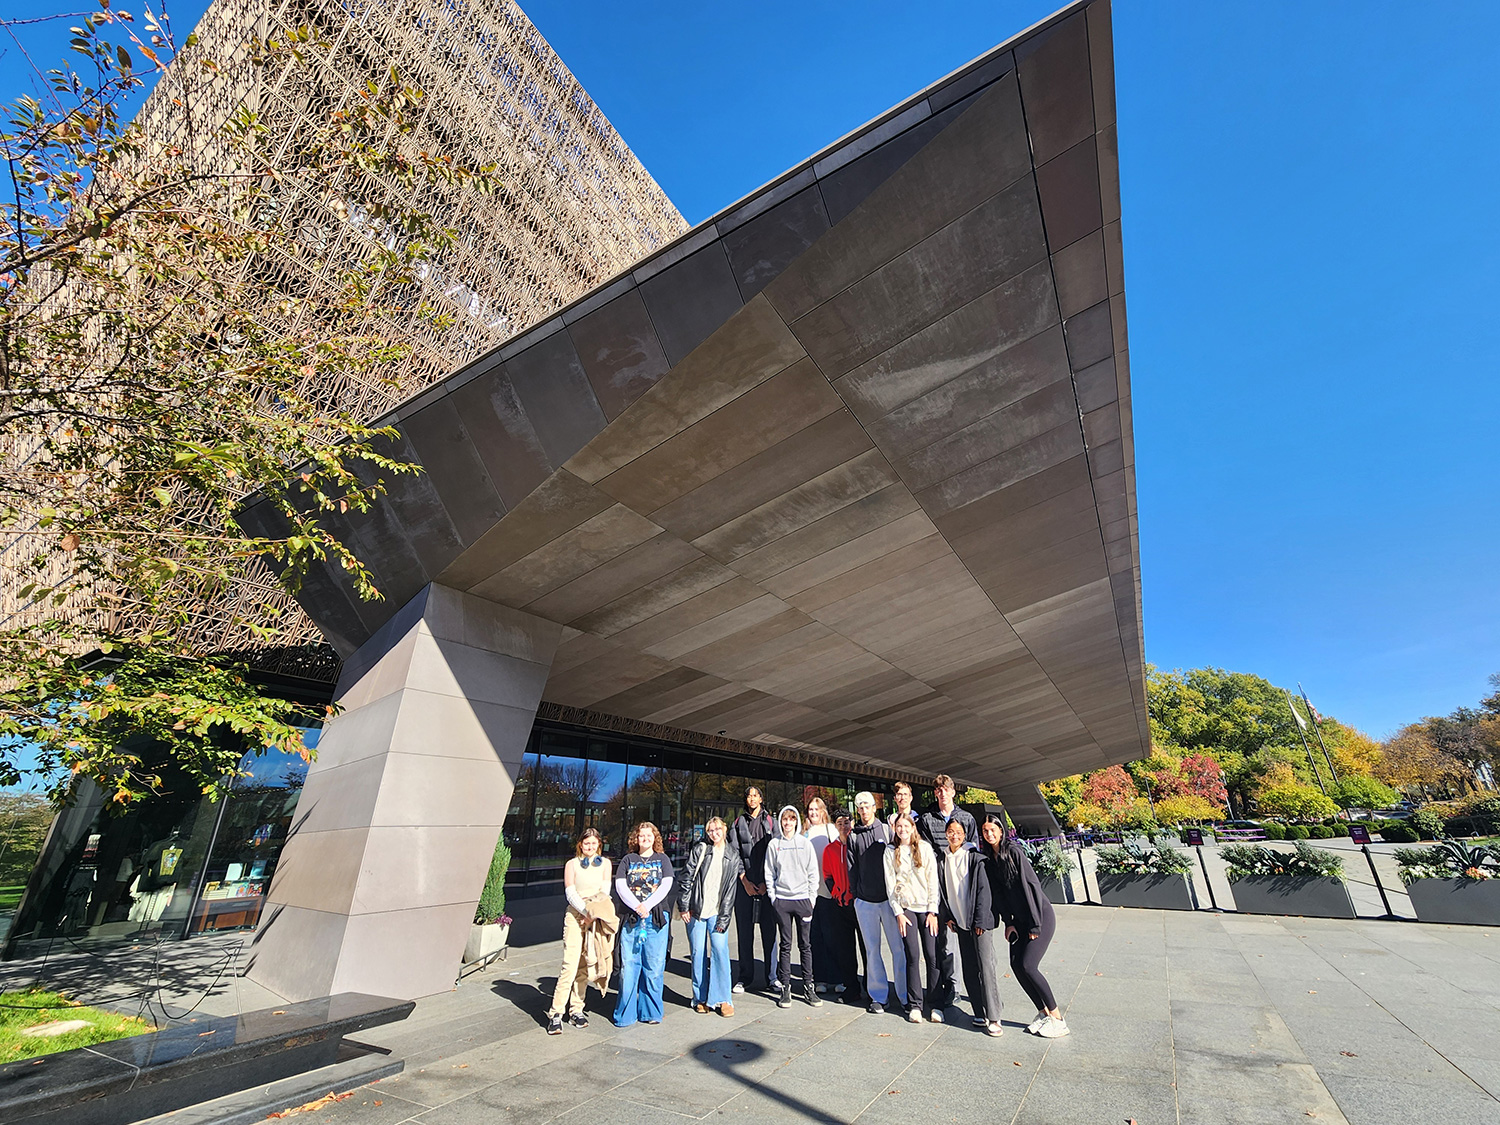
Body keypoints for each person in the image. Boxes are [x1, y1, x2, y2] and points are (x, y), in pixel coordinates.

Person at [981, 817, 1068, 1038]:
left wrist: (1035, 924)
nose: (989, 834)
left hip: (1038, 915)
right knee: (1016, 965)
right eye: (985, 831)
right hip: (1017, 920)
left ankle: (1057, 1018)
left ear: (1001, 831)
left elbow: (1030, 887)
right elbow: (999, 895)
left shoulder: (1014, 852)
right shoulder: (990, 860)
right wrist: (1009, 923)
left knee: (1029, 965)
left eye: (992, 830)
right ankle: (1043, 1013)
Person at [937, 818, 1002, 1037]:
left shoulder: (975, 857)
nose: (954, 835)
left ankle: (994, 1016)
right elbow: (942, 890)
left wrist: (980, 921)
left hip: (978, 922)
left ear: (965, 834)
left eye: (958, 832)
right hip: (960, 922)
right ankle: (978, 1012)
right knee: (969, 967)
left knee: (986, 967)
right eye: (950, 831)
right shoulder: (942, 858)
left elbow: (984, 892)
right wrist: (947, 916)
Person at [547, 828, 615, 1035]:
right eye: (587, 844)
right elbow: (570, 892)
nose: (590, 847)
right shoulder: (572, 864)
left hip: (596, 916)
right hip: (576, 916)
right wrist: (585, 912)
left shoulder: (605, 864)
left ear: (599, 845)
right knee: (570, 963)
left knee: (585, 964)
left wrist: (593, 914)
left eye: (594, 844)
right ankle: (556, 1013)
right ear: (580, 844)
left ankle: (576, 1009)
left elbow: (605, 891)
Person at [919, 774, 978, 1008]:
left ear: (953, 792)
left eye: (946, 790)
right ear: (936, 793)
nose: (942, 794)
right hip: (939, 884)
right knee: (944, 942)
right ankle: (951, 986)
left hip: (961, 885)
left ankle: (972, 985)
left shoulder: (966, 818)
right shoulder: (926, 819)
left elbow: (973, 851)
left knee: (967, 939)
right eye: (938, 790)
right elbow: (925, 851)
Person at [848, 791, 906, 1014]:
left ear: (875, 807)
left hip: (889, 902)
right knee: (872, 951)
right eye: (860, 807)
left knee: (898, 950)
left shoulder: (886, 830)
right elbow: (851, 867)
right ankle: (879, 997)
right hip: (865, 902)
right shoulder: (853, 836)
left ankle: (904, 995)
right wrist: (856, 896)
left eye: (867, 806)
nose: (863, 810)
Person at [678, 817, 742, 1017]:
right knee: (697, 953)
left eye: (717, 829)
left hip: (717, 911)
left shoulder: (732, 855)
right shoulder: (700, 849)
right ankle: (700, 998)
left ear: (724, 829)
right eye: (711, 830)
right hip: (697, 910)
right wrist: (684, 906)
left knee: (720, 952)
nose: (714, 833)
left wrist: (724, 918)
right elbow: (687, 877)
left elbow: (731, 890)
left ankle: (723, 999)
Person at [613, 822, 674, 1028]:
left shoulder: (662, 859)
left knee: (654, 967)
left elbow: (667, 883)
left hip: (656, 919)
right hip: (631, 920)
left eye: (649, 835)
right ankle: (625, 1015)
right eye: (641, 836)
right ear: (636, 839)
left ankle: (651, 1012)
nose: (645, 839)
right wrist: (637, 907)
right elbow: (620, 885)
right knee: (628, 968)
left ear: (654, 838)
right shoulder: (628, 860)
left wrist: (647, 905)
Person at [885, 813, 940, 1023]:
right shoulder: (890, 852)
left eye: (905, 825)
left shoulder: (924, 848)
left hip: (926, 908)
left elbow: (933, 880)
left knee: (932, 956)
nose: (902, 829)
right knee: (913, 956)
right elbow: (890, 884)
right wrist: (898, 911)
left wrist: (933, 911)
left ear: (912, 827)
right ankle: (915, 1004)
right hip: (906, 908)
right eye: (898, 826)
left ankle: (935, 1004)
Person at [766, 805, 822, 1008]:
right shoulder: (774, 844)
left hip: (802, 901)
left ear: (796, 821)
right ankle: (786, 988)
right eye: (784, 820)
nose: (788, 823)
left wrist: (811, 899)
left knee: (805, 945)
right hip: (782, 900)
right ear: (780, 822)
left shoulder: (804, 844)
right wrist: (774, 898)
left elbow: (812, 872)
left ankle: (808, 987)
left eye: (791, 819)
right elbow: (769, 872)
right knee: (785, 945)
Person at [730, 787, 778, 993]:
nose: (751, 798)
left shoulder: (771, 822)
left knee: (770, 933)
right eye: (748, 795)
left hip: (768, 886)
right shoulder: (737, 823)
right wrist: (744, 880)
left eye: (755, 795)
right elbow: (734, 854)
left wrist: (769, 882)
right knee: (744, 933)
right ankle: (744, 977)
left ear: (761, 798)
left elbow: (777, 852)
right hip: (745, 886)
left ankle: (772, 976)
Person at [820, 811, 862, 1001]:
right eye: (840, 823)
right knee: (845, 949)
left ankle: (871, 988)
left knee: (867, 948)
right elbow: (827, 875)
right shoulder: (830, 849)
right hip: (840, 904)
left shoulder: (858, 844)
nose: (844, 826)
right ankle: (851, 987)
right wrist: (836, 893)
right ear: (835, 826)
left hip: (860, 904)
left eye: (847, 822)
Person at [803, 797, 839, 994]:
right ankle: (821, 978)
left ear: (823, 811)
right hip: (811, 894)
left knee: (832, 936)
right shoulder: (804, 834)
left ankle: (837, 976)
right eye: (810, 809)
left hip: (829, 892)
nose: (813, 812)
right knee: (814, 937)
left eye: (816, 809)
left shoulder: (831, 830)